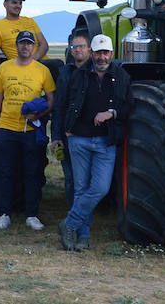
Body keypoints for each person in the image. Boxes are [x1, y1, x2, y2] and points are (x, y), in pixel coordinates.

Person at [58, 34, 129, 252]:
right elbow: (62, 105)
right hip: (78, 139)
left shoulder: (122, 77)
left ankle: (68, 224)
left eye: (105, 52)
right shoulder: (77, 76)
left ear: (112, 54)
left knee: (99, 188)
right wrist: (63, 132)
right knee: (81, 189)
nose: (101, 57)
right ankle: (83, 237)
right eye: (98, 52)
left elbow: (130, 107)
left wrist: (111, 113)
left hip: (105, 141)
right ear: (92, 53)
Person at [0, 30, 55, 231]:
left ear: (34, 47)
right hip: (6, 127)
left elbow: (52, 100)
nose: (25, 46)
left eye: (29, 43)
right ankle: (4, 214)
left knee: (32, 173)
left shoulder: (42, 71)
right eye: (22, 43)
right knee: (6, 172)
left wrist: (40, 116)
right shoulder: (4, 67)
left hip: (31, 130)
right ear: (16, 46)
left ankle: (32, 215)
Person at [50, 31, 91, 209]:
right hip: (68, 133)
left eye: (81, 46)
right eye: (74, 47)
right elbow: (58, 106)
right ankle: (74, 212)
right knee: (71, 178)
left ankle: (85, 213)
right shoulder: (65, 72)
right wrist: (56, 136)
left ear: (89, 49)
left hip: (90, 134)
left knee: (88, 178)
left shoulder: (96, 71)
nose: (78, 50)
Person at [0, 0, 48, 92]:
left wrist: (33, 60)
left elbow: (44, 45)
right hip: (19, 67)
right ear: (5, 4)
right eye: (14, 3)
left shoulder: (30, 21)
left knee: (59, 66)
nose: (18, 6)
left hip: (42, 63)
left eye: (20, 3)